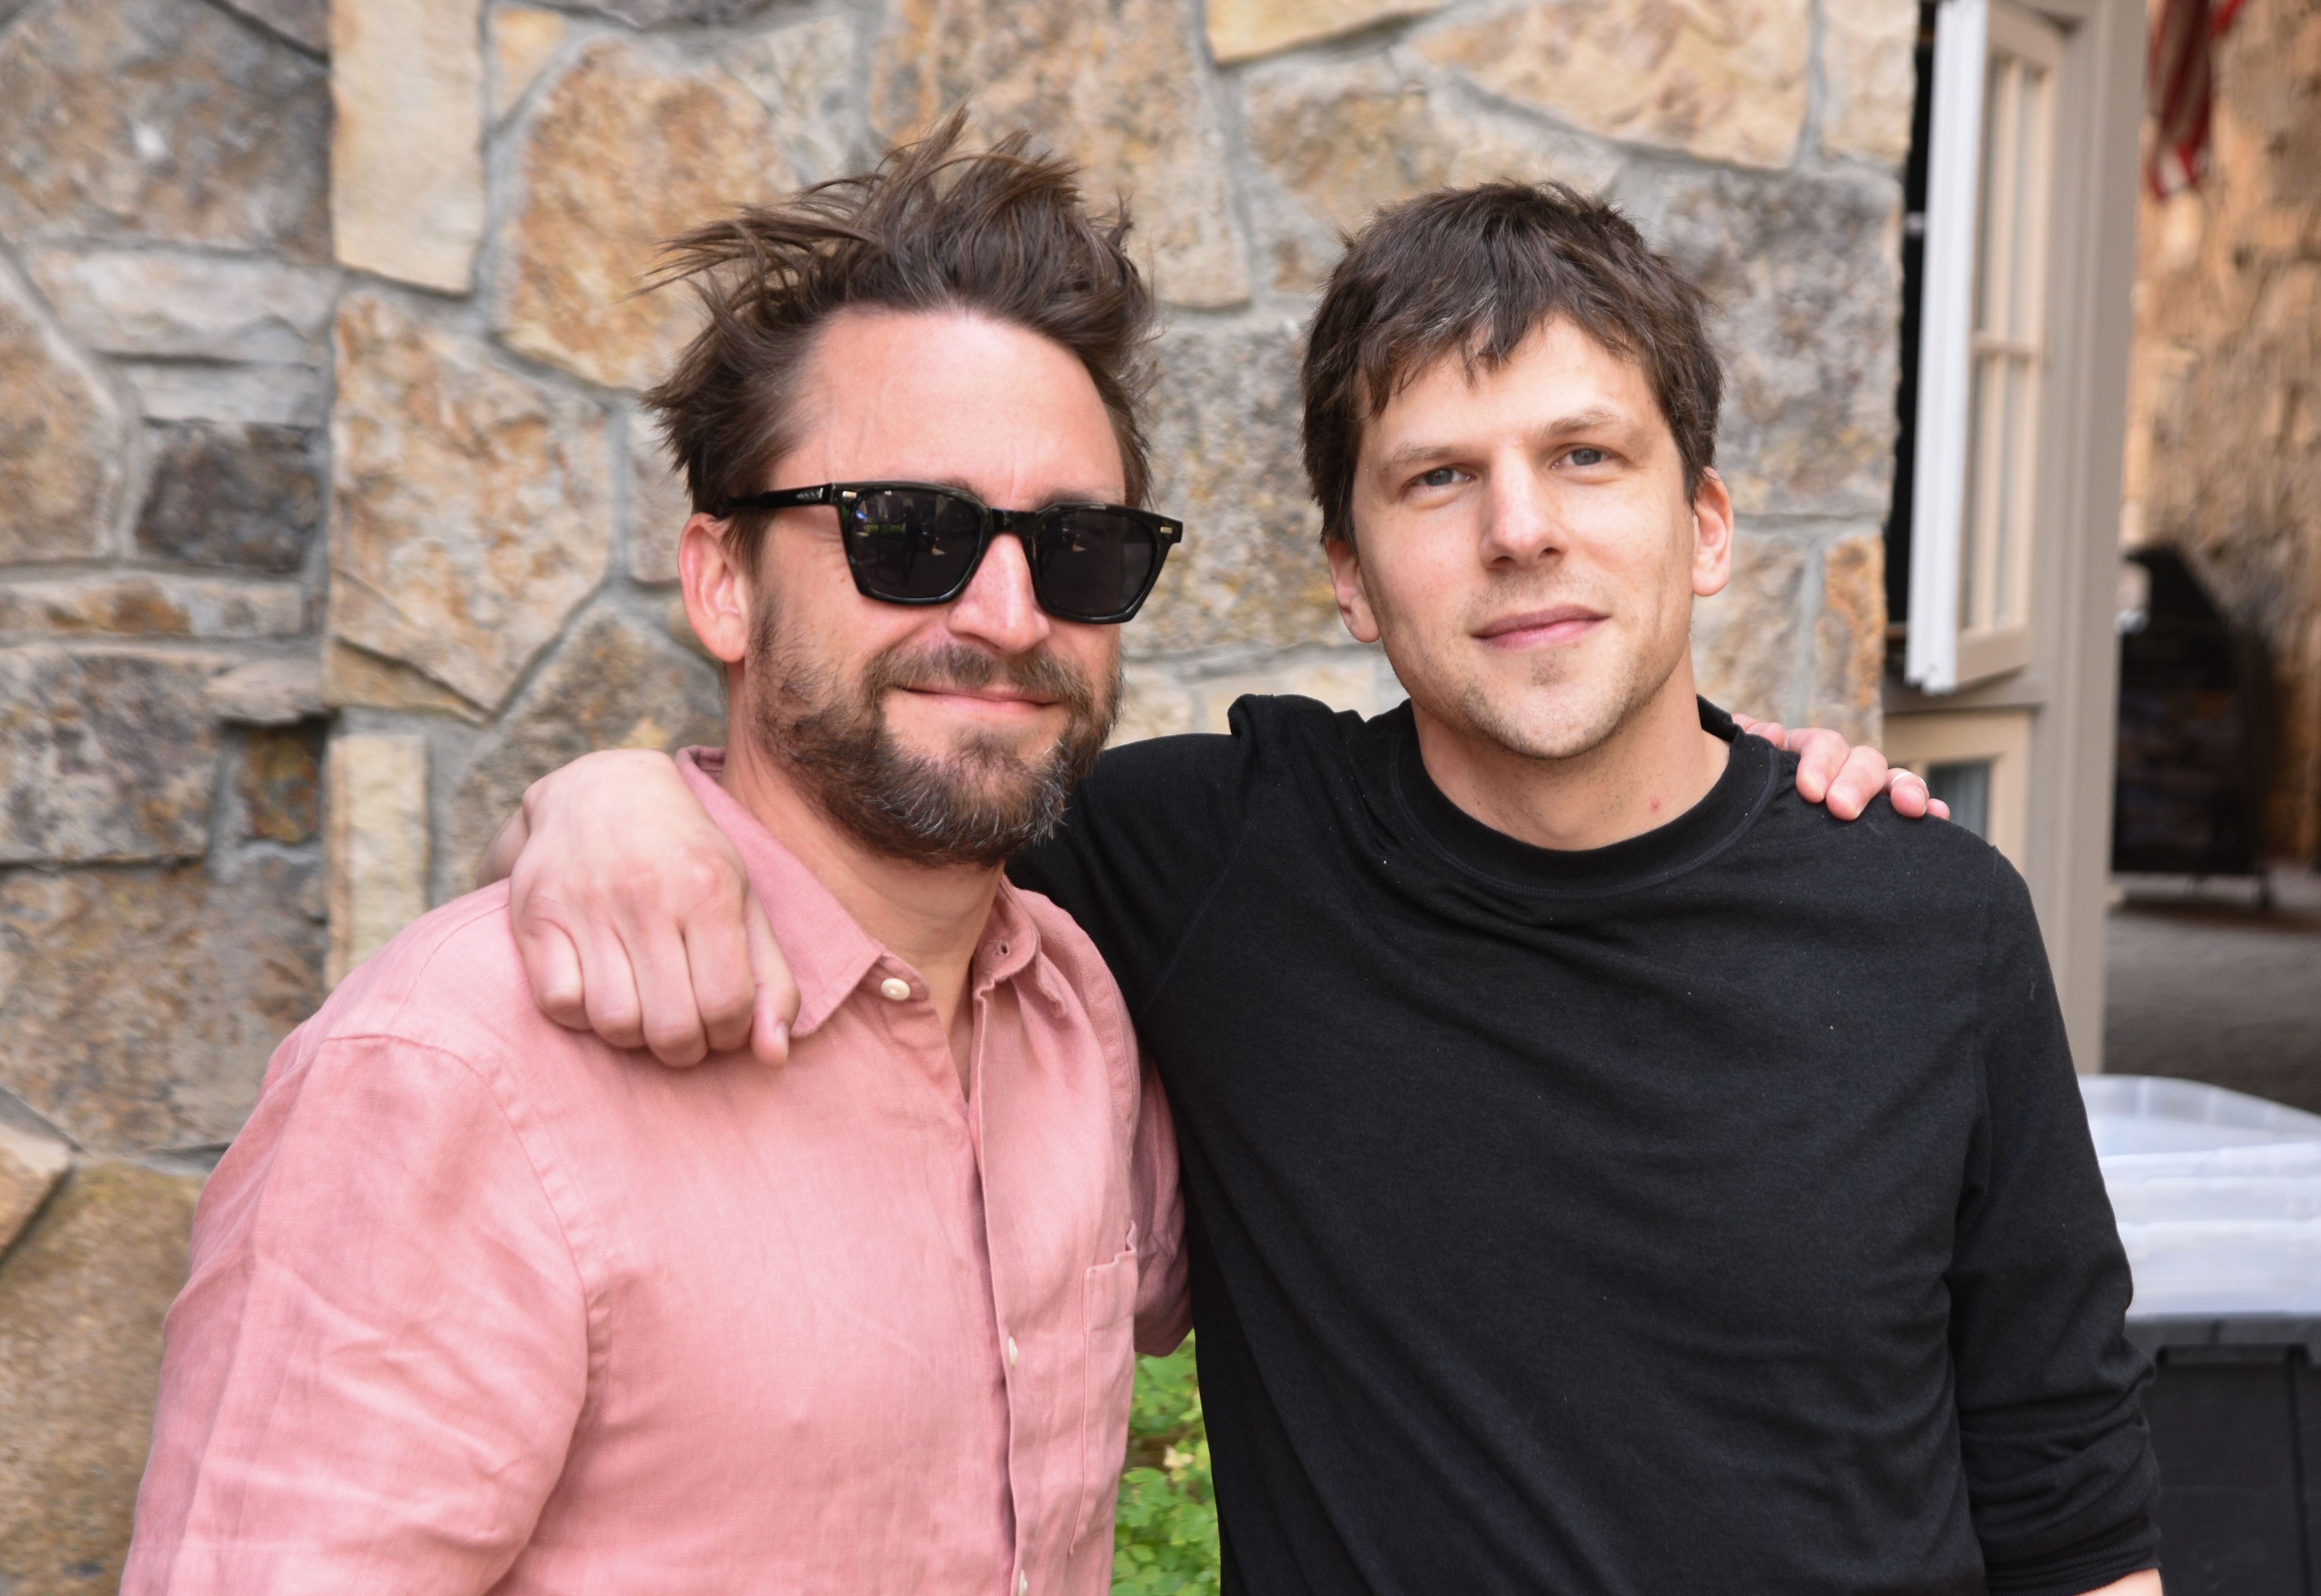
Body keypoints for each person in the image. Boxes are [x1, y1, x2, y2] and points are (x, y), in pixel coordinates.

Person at [492, 175, 2163, 1594]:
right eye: (1440, 478)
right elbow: (865, 799)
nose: (1522, 530)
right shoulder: (1203, 859)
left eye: (1588, 456)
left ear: (1706, 526)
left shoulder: (1934, 923)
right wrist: (617, 794)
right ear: (1352, 579)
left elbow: (2069, 1492)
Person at [124, 123, 1190, 1595]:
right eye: (908, 532)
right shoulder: (452, 1072)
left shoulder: (1077, 1020)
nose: (1010, 613)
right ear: (722, 583)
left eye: (1075, 549)